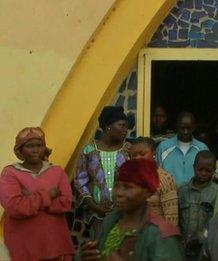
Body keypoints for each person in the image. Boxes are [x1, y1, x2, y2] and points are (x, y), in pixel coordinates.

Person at [79, 158, 184, 260]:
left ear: (148, 192)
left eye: (128, 187)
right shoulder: (111, 221)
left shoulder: (160, 233)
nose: (119, 193)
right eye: (116, 186)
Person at [0, 127, 74, 260]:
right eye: (29, 146)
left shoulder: (57, 171)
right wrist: (48, 196)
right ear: (20, 150)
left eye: (39, 145)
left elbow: (66, 203)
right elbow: (14, 207)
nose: (35, 150)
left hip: (54, 244)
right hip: (23, 245)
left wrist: (31, 200)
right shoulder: (10, 173)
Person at [74, 106, 131, 237]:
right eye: (121, 125)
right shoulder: (88, 151)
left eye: (126, 126)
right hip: (96, 216)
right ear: (108, 126)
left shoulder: (128, 151)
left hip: (124, 214)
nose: (125, 130)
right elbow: (80, 182)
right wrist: (95, 206)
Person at [129, 137, 179, 226]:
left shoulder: (165, 178)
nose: (138, 158)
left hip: (156, 236)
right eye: (134, 155)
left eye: (142, 154)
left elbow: (171, 217)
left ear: (154, 154)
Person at [179, 151, 218, 259]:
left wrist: (199, 238)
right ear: (194, 167)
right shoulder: (182, 191)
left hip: (206, 250)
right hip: (183, 250)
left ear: (214, 171)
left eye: (208, 170)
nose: (203, 173)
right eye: (200, 169)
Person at [156, 111, 209, 186]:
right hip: (169, 195)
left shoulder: (202, 148)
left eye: (189, 128)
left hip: (195, 195)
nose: (185, 131)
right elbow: (157, 174)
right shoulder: (163, 147)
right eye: (182, 128)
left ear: (194, 128)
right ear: (177, 126)